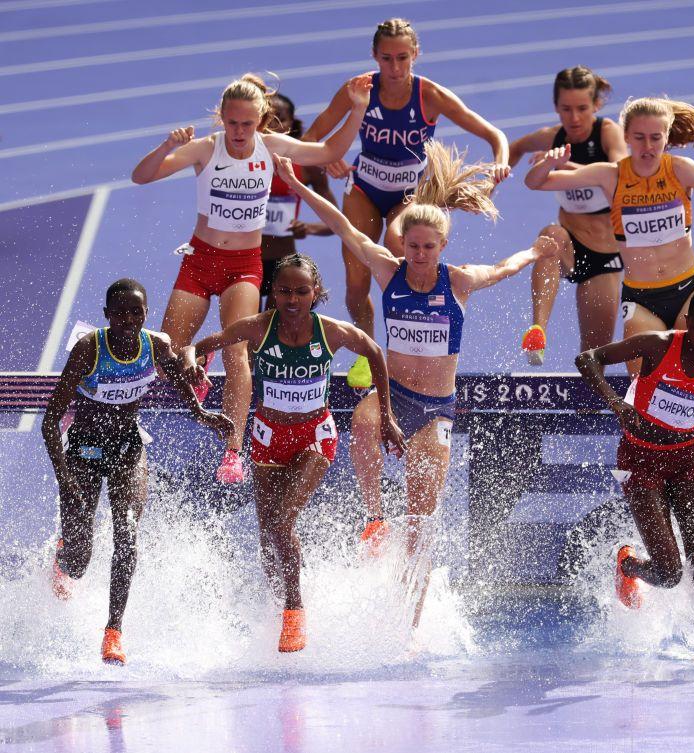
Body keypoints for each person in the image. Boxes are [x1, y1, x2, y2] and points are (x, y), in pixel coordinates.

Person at [274, 148, 554, 623]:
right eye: (413, 246)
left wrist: (536, 251)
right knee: (363, 423)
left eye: (428, 247)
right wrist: (299, 188)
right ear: (403, 244)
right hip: (394, 397)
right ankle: (374, 517)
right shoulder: (388, 271)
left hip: (437, 409)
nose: (420, 255)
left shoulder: (459, 281)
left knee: (421, 528)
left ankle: (412, 624)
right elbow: (345, 227)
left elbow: (506, 266)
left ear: (442, 246)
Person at [131, 72, 371, 482]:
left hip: (244, 265)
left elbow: (330, 149)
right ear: (221, 118)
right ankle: (190, 370)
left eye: (247, 123)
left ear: (260, 121)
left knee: (238, 350)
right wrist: (169, 145)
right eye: (232, 123)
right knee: (167, 351)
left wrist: (358, 106)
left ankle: (233, 451)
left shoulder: (271, 147)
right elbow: (142, 175)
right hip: (200, 259)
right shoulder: (205, 150)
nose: (240, 132)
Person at [181, 254, 404, 653]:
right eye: (284, 290)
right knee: (268, 536)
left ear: (315, 293)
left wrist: (386, 417)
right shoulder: (256, 327)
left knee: (283, 523)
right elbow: (198, 347)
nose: (292, 298)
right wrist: (193, 363)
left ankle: (294, 613)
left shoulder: (331, 332)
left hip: (314, 437)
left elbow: (374, 352)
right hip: (268, 438)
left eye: (301, 291)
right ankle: (276, 607)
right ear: (272, 292)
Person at [302, 18, 513, 388]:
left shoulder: (430, 95)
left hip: (409, 196)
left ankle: (410, 341)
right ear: (374, 56)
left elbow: (494, 134)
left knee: (398, 249)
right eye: (386, 59)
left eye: (403, 58)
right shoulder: (358, 89)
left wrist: (500, 159)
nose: (395, 68)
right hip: (364, 190)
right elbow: (312, 138)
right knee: (355, 282)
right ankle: (368, 353)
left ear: (416, 54)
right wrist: (326, 156)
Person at [42, 279, 233, 665]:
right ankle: (64, 555)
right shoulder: (88, 349)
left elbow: (182, 383)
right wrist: (66, 480)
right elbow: (50, 421)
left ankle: (113, 632)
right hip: (83, 450)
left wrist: (203, 416)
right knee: (80, 562)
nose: (128, 319)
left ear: (146, 314)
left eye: (136, 312)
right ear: (107, 315)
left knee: (126, 536)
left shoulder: (156, 346)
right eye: (120, 313)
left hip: (128, 447)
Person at [527, 97, 694, 376]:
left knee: (693, 381)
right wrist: (549, 163)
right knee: (645, 388)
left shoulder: (681, 170)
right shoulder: (610, 176)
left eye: (655, 138)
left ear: (666, 136)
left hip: (688, 290)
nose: (648, 147)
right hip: (641, 298)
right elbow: (536, 182)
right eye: (639, 137)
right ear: (626, 137)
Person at [575, 289, 694, 664]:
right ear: (687, 324)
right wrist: (617, 405)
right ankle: (628, 566)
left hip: (688, 459)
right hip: (640, 460)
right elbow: (588, 359)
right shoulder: (656, 346)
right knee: (671, 574)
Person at [508, 66, 629, 365]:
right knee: (550, 235)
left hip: (606, 257)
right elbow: (516, 147)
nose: (574, 118)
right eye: (566, 109)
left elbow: (621, 175)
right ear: (556, 108)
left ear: (596, 106)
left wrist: (562, 167)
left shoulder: (607, 133)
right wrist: (492, 182)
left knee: (593, 356)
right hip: (570, 246)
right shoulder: (554, 138)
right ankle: (537, 332)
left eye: (582, 109)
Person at [261, 93, 338, 309]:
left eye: (280, 120)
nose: (273, 126)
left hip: (281, 263)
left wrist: (308, 228)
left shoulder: (307, 165)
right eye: (268, 120)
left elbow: (335, 222)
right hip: (246, 258)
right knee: (243, 329)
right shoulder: (243, 160)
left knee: (272, 330)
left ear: (291, 124)